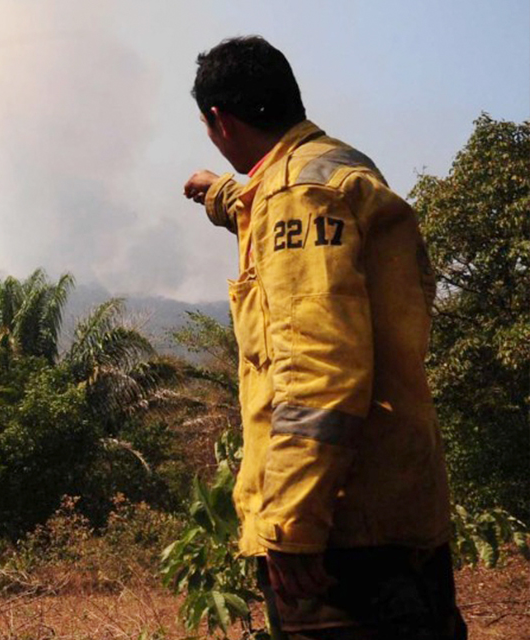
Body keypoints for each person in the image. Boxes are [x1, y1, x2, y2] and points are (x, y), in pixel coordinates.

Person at [182, 37, 465, 639]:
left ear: (219, 121)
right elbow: (265, 207)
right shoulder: (336, 166)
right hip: (400, 513)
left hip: (341, 539)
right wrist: (217, 192)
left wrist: (291, 521)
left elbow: (319, 370)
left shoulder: (295, 195)